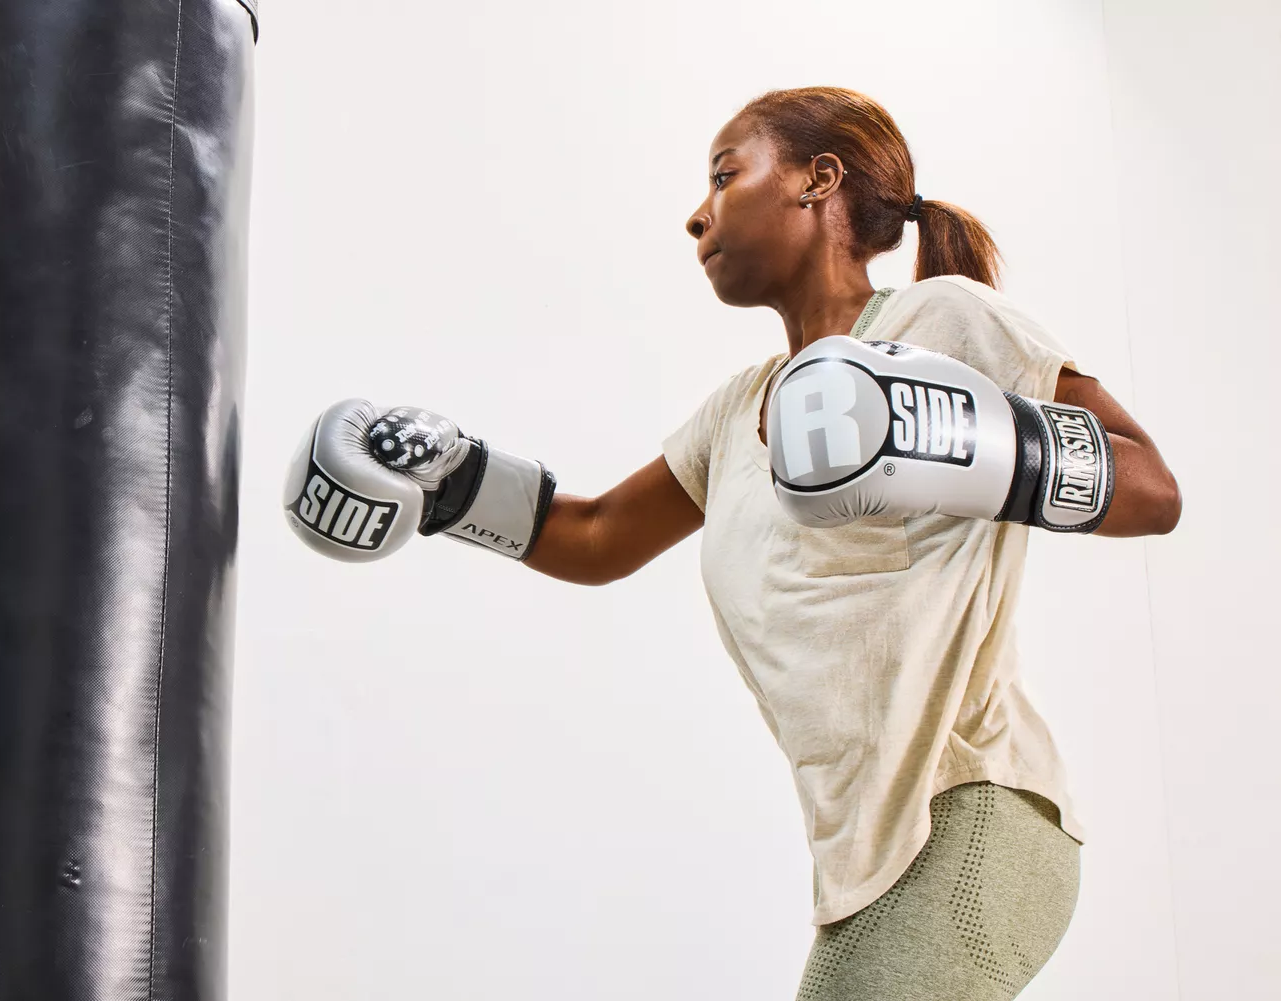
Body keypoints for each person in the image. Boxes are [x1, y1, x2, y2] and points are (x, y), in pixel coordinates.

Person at [283, 85, 1181, 1000]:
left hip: (972, 810)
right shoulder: (736, 413)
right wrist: (450, 476)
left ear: (816, 181)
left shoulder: (941, 322)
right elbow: (593, 538)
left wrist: (964, 444)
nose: (696, 213)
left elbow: (1151, 488)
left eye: (724, 175)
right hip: (858, 870)